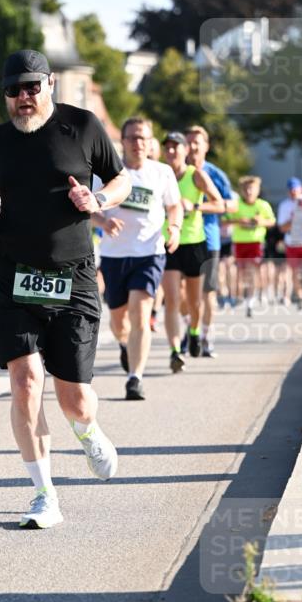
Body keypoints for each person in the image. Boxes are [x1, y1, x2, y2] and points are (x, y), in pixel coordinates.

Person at [0, 49, 131, 529]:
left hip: (74, 274)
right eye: (13, 90)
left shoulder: (81, 127)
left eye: (31, 87)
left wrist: (97, 197)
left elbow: (121, 179)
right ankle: (44, 495)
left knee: (73, 398)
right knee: (24, 383)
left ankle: (88, 431)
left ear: (49, 85)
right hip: (14, 274)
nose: (23, 97)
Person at [98, 116, 181, 399]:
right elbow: (87, 206)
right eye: (132, 137)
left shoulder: (162, 172)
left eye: (143, 138)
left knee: (141, 314)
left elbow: (174, 206)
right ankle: (124, 345)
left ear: (151, 142)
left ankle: (135, 378)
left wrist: (175, 227)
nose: (138, 143)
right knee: (119, 321)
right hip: (113, 253)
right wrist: (102, 221)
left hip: (149, 252)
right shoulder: (106, 172)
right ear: (122, 141)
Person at [161, 131, 223, 372]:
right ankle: (175, 351)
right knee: (173, 300)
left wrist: (195, 206)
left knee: (196, 303)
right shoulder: (160, 174)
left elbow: (219, 204)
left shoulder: (196, 175)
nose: (172, 151)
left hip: (195, 243)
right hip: (168, 243)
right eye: (168, 147)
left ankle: (195, 331)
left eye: (176, 147)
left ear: (186, 151)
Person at [184, 125, 235, 356]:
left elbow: (231, 204)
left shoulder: (215, 174)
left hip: (208, 239)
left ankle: (205, 336)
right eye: (189, 142)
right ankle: (190, 328)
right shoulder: (175, 171)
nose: (193, 146)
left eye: (197, 142)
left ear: (206, 146)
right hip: (181, 239)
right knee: (182, 293)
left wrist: (199, 207)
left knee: (207, 293)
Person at [224, 176, 275, 317]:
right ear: (241, 190)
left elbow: (272, 222)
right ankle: (242, 295)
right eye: (246, 189)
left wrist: (261, 221)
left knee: (252, 270)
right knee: (241, 272)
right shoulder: (236, 204)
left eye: (252, 188)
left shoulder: (263, 205)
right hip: (239, 242)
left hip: (256, 242)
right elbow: (224, 221)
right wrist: (238, 221)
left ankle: (250, 300)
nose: (249, 191)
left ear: (258, 190)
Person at [277, 177, 302, 309]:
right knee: (294, 272)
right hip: (291, 242)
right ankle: (300, 298)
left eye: (296, 189)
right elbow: (282, 227)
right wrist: (295, 220)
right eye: (291, 190)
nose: (293, 192)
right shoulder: (284, 205)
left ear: (301, 189)